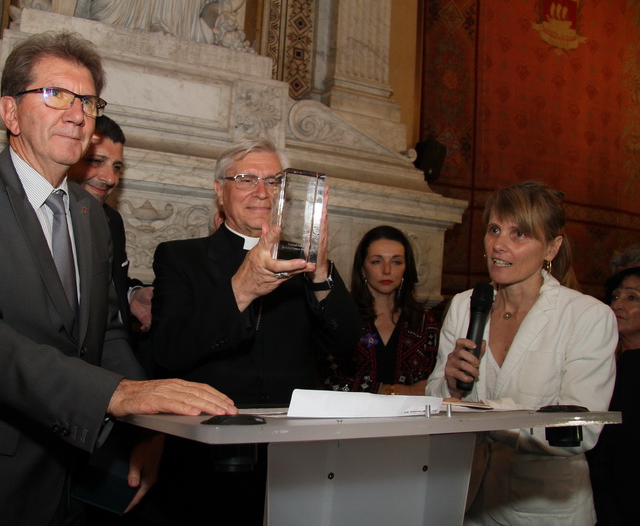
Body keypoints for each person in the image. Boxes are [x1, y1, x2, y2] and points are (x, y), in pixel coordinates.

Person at [0, 31, 236, 526]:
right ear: (10, 112)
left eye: (88, 101)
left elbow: (109, 333)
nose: (77, 113)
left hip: (66, 475)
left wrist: (150, 423)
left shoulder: (89, 215)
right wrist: (114, 396)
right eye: (55, 94)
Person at [145, 137, 362, 525]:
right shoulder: (180, 257)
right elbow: (165, 352)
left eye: (275, 181)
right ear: (219, 191)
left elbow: (346, 343)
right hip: (207, 455)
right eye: (246, 179)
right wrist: (242, 287)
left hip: (294, 456)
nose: (262, 192)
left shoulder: (305, 261)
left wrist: (322, 269)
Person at [426, 181, 617, 525]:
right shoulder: (464, 305)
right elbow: (435, 401)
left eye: (520, 234)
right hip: (465, 503)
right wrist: (451, 389)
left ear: (551, 248)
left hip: (543, 511)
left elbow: (578, 431)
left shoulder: (588, 317)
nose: (498, 244)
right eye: (494, 229)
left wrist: (479, 412)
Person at [321, 225, 438, 395]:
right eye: (377, 261)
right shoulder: (342, 317)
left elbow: (432, 384)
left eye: (396, 262)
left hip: (413, 419)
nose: (387, 270)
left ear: (406, 268)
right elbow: (329, 380)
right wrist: (392, 390)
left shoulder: (425, 322)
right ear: (362, 269)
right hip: (351, 418)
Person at [68, 115, 154, 336]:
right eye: (96, 161)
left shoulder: (111, 220)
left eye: (117, 167)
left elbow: (110, 284)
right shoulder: (32, 212)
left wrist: (132, 295)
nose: (110, 179)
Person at [588, 266, 640, 525]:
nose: (617, 305)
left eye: (632, 298)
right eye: (616, 296)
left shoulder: (631, 366)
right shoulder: (604, 360)